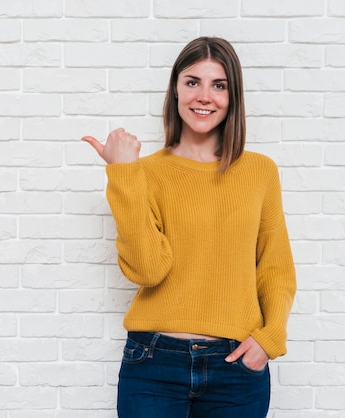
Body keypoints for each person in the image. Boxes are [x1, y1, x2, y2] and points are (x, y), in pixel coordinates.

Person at [82, 37, 296, 417]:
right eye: (192, 81)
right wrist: (123, 174)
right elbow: (148, 270)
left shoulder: (260, 170)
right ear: (175, 90)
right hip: (154, 363)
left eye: (219, 85)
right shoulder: (144, 173)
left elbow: (275, 269)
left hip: (237, 367)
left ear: (233, 96)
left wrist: (269, 339)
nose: (204, 96)